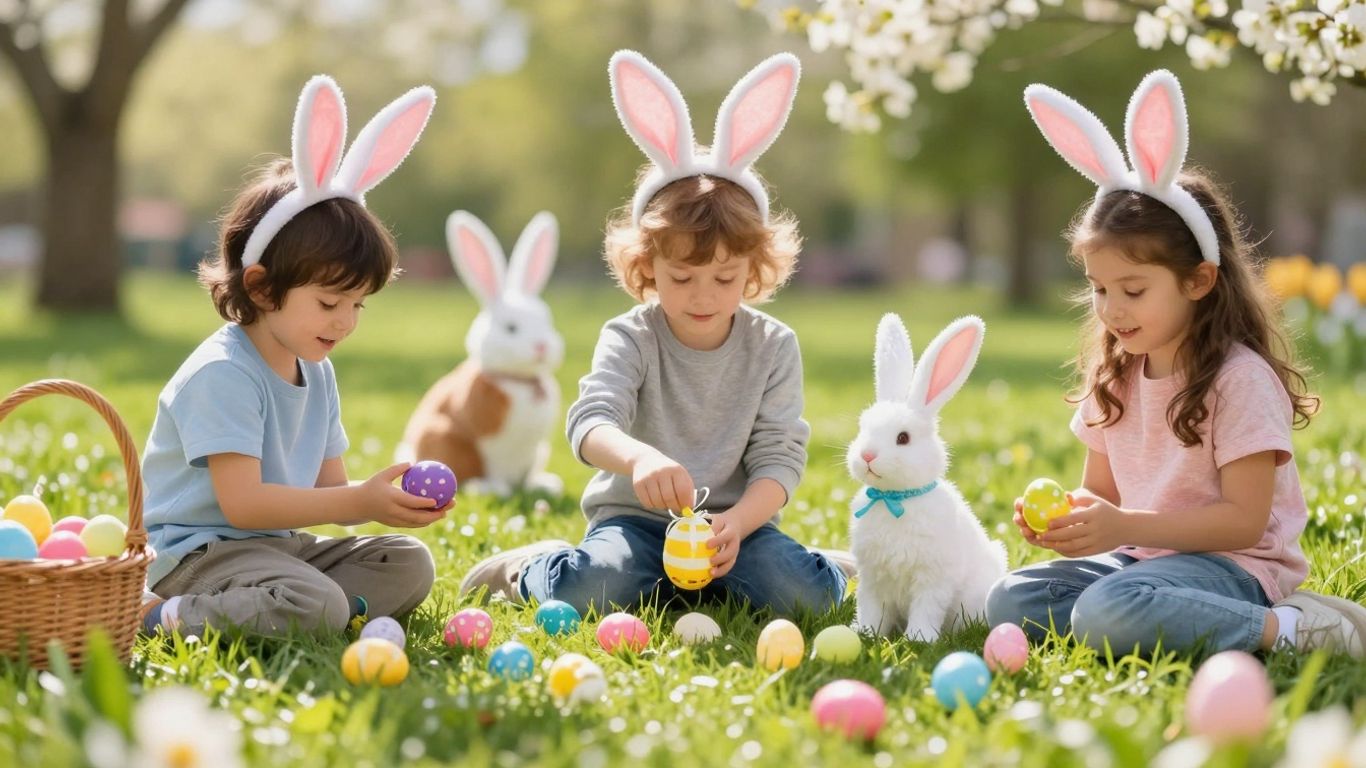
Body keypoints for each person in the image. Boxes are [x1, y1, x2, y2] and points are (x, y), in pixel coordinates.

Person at [985, 70, 1366, 657]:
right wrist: (1071, 525)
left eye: (1133, 290)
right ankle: (1148, 610)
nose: (1111, 310)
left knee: (1108, 611)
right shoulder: (1115, 375)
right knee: (1011, 599)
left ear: (1198, 280)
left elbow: (1243, 523)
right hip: (1142, 560)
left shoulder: (1238, 380)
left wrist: (1126, 527)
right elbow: (1101, 497)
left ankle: (1293, 629)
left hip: (1234, 568)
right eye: (1099, 289)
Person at [459, 50, 852, 615]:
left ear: (754, 269)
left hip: (736, 530)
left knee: (803, 598)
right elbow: (591, 422)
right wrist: (640, 460)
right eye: (681, 276)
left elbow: (779, 459)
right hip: (636, 525)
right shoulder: (631, 335)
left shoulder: (773, 345)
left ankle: (820, 568)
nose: (703, 295)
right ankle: (533, 568)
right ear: (646, 266)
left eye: (724, 277)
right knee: (590, 593)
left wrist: (737, 524)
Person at [140, 76, 445, 636]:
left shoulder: (317, 371)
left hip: (278, 549)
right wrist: (353, 501)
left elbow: (330, 493)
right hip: (198, 557)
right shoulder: (224, 373)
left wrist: (379, 501)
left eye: (358, 304)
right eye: (330, 301)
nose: (346, 321)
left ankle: (302, 609)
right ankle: (159, 617)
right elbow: (244, 506)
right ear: (260, 288)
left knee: (406, 562)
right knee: (316, 600)